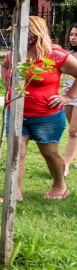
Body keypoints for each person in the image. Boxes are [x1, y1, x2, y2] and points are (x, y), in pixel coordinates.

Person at [1, 16, 77, 200]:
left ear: (37, 33)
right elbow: (4, 66)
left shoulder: (56, 55)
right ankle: (15, 193)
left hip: (47, 115)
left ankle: (59, 185)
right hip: (17, 112)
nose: (20, 36)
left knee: (50, 153)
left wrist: (68, 96)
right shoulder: (16, 53)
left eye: (25, 31)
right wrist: (7, 84)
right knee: (16, 151)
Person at [62, 25, 77, 176]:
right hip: (67, 96)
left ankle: (65, 165)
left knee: (73, 132)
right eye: (71, 34)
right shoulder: (69, 55)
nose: (72, 37)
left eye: (76, 35)